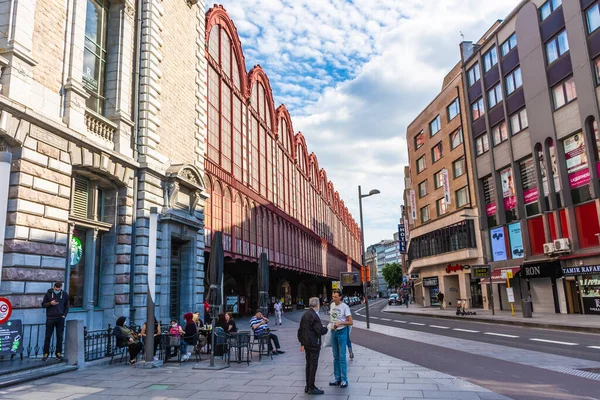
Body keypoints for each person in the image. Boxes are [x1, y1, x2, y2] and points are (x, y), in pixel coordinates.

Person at [298, 297, 328, 395]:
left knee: (308, 364)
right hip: (314, 343)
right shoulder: (314, 316)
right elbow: (320, 330)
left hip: (306, 343)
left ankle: (307, 386)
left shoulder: (305, 314)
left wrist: (302, 342)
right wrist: (327, 328)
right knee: (313, 365)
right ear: (317, 305)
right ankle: (311, 387)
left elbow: (300, 330)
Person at [329, 290, 352, 388]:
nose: (333, 298)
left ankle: (344, 380)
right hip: (333, 332)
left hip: (342, 332)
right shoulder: (332, 305)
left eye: (335, 297)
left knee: (342, 356)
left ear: (340, 297)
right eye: (333, 296)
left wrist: (340, 323)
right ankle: (337, 378)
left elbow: (350, 322)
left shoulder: (345, 307)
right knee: (335, 356)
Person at [41, 282, 69, 361]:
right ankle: (45, 354)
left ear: (61, 288)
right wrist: (50, 303)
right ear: (54, 287)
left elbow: (67, 306)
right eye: (56, 289)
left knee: (59, 337)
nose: (57, 290)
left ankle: (58, 353)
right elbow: (43, 305)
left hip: (60, 318)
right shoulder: (48, 294)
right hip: (50, 318)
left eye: (59, 289)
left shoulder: (64, 294)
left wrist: (64, 315)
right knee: (48, 336)